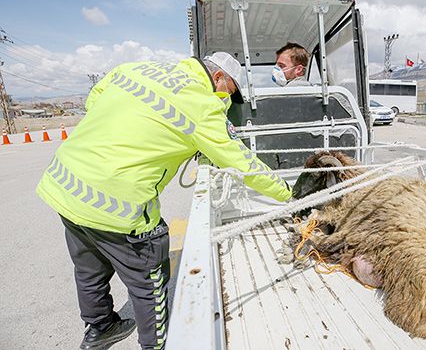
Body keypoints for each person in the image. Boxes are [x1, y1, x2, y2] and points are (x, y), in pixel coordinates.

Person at [36, 52, 291, 350]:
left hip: (66, 185)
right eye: (229, 92)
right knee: (149, 283)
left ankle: (100, 328)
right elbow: (242, 163)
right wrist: (289, 192)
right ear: (218, 77)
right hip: (116, 205)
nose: (226, 100)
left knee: (89, 267)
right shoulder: (202, 105)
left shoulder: (136, 68)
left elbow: (96, 97)